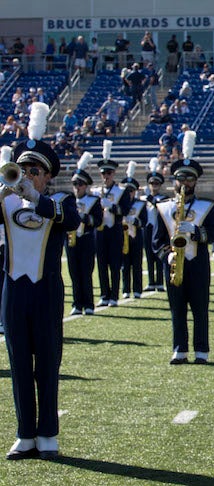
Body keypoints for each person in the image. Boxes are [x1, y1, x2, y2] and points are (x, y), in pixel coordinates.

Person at [3, 103, 80, 460]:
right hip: (14, 289)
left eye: (36, 170)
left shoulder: (61, 199)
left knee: (47, 362)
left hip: (46, 289)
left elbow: (71, 221)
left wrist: (36, 198)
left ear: (48, 176)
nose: (29, 174)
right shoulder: (5, 200)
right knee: (18, 362)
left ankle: (48, 432)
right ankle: (25, 433)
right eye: (24, 168)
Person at [153, 131, 214, 365]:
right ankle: (179, 349)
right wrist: (168, 254)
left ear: (195, 181)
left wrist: (195, 232)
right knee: (177, 309)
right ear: (175, 180)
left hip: (198, 263)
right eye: (181, 179)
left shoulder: (207, 206)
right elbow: (157, 241)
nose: (185, 183)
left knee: (200, 309)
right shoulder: (162, 207)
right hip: (173, 264)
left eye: (190, 179)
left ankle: (201, 350)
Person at [92, 141, 131, 307]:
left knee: (114, 264)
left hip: (114, 231)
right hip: (100, 232)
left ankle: (114, 295)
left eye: (108, 173)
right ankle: (104, 294)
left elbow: (126, 210)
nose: (105, 176)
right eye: (103, 173)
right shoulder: (95, 191)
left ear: (114, 173)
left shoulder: (121, 191)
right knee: (101, 264)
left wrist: (112, 207)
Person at [65, 153, 103, 316]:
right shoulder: (68, 201)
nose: (77, 187)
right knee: (74, 273)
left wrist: (86, 218)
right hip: (71, 240)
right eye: (74, 183)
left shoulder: (93, 201)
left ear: (86, 185)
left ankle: (88, 304)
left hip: (86, 239)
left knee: (86, 272)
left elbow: (98, 221)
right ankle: (76, 303)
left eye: (80, 184)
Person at [120, 162, 148, 299]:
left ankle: (137, 289)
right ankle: (126, 289)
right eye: (126, 191)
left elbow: (145, 221)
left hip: (136, 236)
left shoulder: (140, 204)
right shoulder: (120, 203)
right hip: (123, 236)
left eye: (131, 191)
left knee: (136, 264)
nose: (129, 193)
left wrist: (135, 222)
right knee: (125, 265)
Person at [143, 159, 168, 291]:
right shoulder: (144, 199)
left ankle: (159, 281)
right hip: (148, 228)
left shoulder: (163, 199)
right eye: (152, 183)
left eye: (157, 183)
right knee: (148, 256)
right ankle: (151, 281)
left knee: (159, 255)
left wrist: (151, 199)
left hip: (159, 230)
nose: (154, 186)